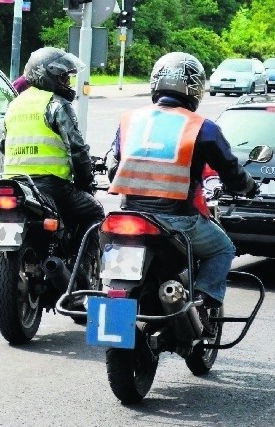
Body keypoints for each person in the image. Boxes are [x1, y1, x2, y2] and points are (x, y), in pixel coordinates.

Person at [107, 51, 258, 337]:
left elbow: (114, 166)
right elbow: (231, 170)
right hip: (177, 220)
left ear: (155, 82)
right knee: (223, 248)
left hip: (128, 215)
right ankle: (202, 302)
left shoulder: (129, 120)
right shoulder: (202, 127)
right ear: (195, 88)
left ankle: (116, 324)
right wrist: (248, 186)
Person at [0, 47, 105, 330]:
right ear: (47, 76)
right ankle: (79, 286)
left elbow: (5, 145)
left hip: (12, 185)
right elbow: (77, 148)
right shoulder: (55, 104)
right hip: (50, 186)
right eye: (62, 77)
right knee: (94, 213)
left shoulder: (14, 104)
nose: (66, 83)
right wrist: (86, 180)